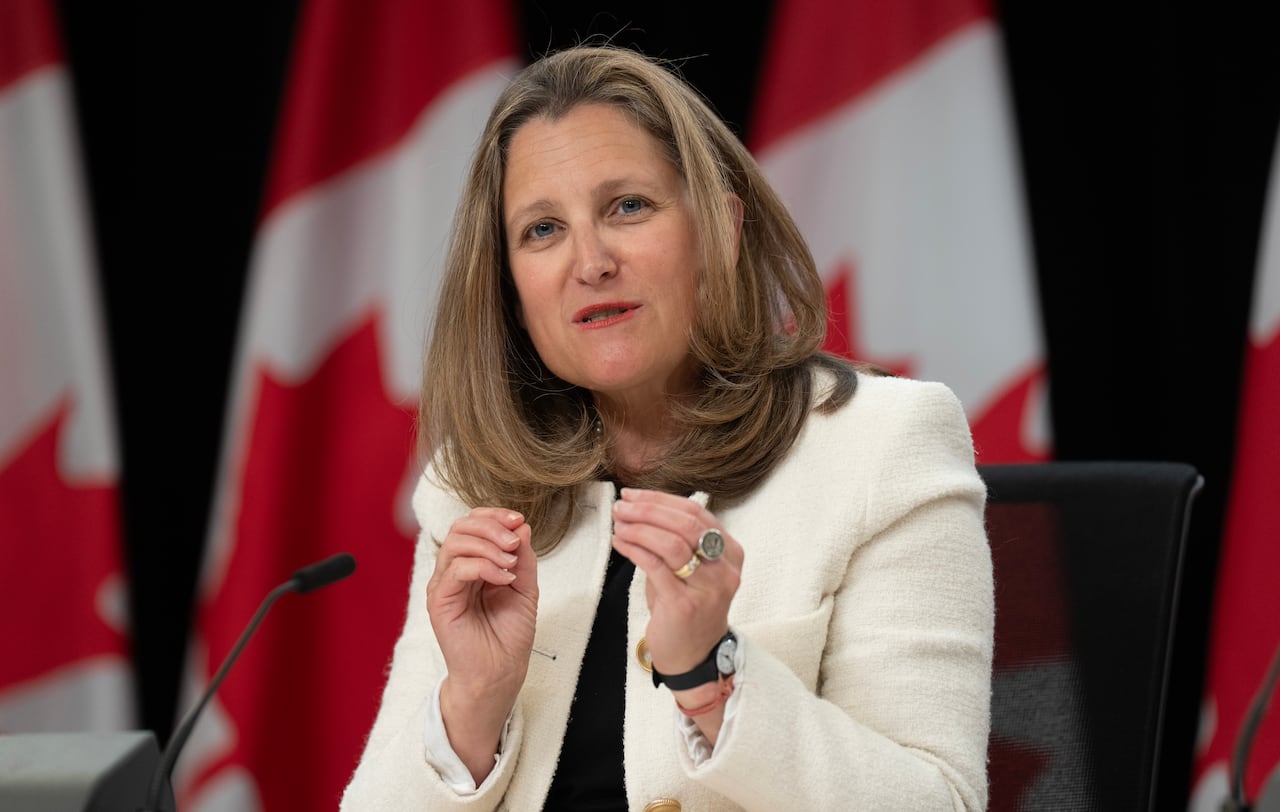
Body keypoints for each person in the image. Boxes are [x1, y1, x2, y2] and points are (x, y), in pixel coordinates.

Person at [341, 44, 993, 811]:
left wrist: (713, 680)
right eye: (543, 229)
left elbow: (939, 801)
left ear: (720, 226)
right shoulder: (477, 487)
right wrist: (473, 701)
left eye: (627, 207)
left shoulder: (881, 449)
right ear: (510, 287)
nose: (590, 261)